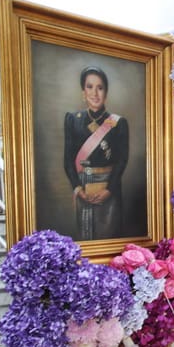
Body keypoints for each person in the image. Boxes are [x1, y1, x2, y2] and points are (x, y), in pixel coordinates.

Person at [63, 66, 129, 241]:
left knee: (109, 239)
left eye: (100, 87)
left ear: (106, 93)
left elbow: (121, 161)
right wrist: (78, 188)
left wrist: (109, 190)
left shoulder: (118, 123)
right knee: (85, 239)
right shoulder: (72, 120)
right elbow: (68, 160)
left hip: (108, 187)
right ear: (83, 92)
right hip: (83, 187)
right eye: (89, 87)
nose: (94, 93)